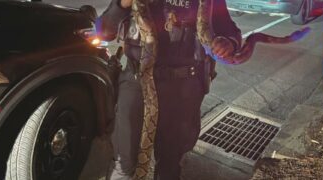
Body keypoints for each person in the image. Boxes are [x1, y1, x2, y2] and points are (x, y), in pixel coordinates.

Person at [96, 0, 242, 179]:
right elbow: (102, 31)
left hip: (182, 90)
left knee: (170, 163)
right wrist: (123, 4)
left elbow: (231, 32)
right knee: (124, 163)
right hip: (137, 83)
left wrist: (230, 43)